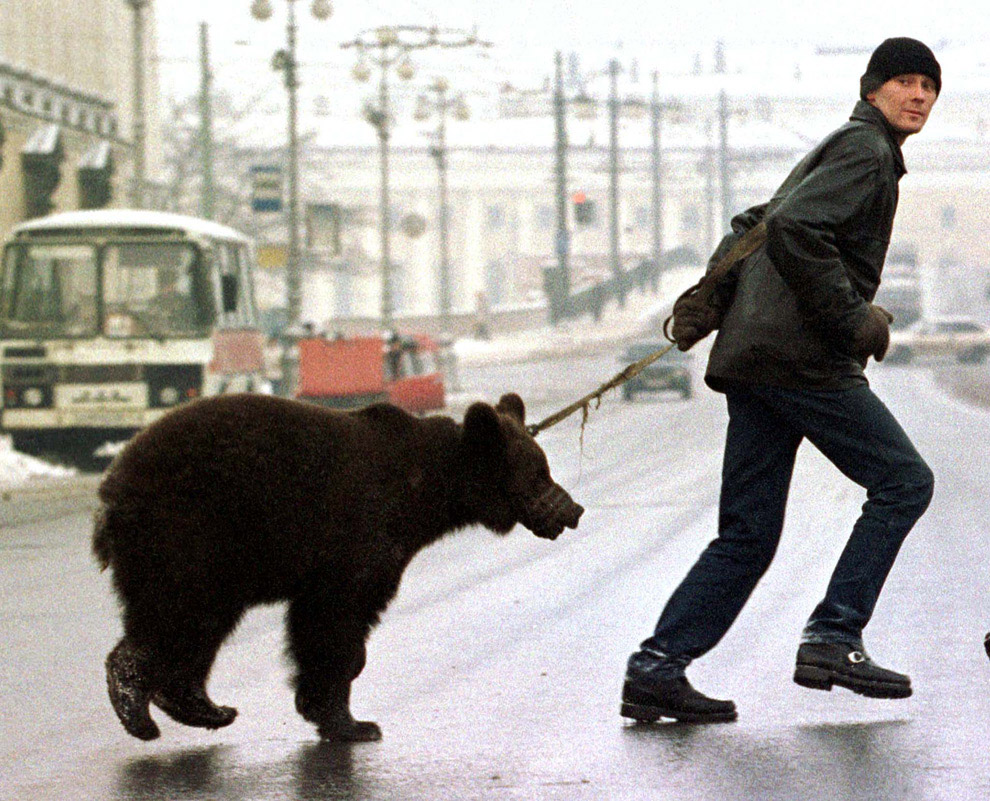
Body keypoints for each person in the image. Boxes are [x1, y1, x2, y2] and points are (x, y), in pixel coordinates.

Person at [621, 38, 940, 725]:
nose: (918, 95)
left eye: (928, 86)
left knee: (747, 533)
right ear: (872, 90)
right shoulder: (866, 150)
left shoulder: (843, 145)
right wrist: (852, 317)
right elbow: (793, 225)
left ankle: (656, 668)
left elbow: (753, 223)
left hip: (758, 358)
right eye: (904, 82)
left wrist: (715, 289)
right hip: (802, 359)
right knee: (905, 481)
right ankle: (834, 635)